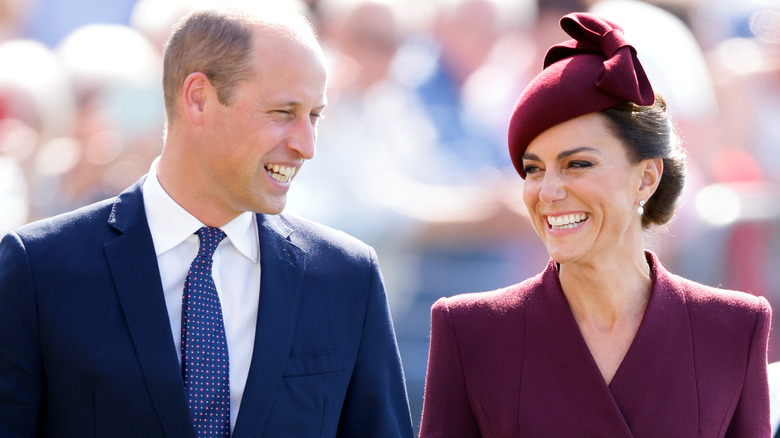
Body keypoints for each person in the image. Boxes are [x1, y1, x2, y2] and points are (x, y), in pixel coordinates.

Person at [0, 6, 414, 438]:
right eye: (283, 112)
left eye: (314, 116)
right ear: (198, 97)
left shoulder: (346, 277)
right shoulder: (40, 269)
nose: (306, 146)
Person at [419, 12, 771, 437]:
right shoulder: (470, 331)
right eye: (533, 169)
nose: (547, 191)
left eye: (577, 164)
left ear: (646, 177)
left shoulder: (733, 328)